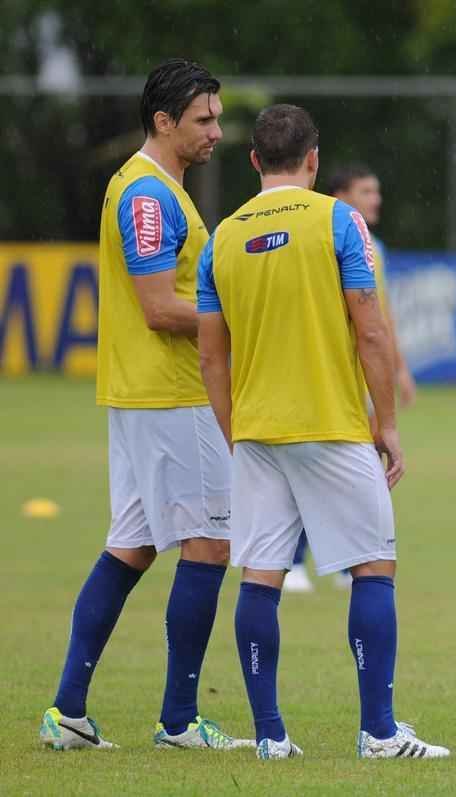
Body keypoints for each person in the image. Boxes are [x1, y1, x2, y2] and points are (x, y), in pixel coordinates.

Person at [197, 103, 449, 760]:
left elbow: (210, 356)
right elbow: (370, 328)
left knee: (260, 576)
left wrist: (234, 431)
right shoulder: (339, 221)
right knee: (374, 566)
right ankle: (379, 731)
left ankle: (271, 735)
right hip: (331, 426)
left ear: (254, 161)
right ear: (312, 159)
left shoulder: (221, 237)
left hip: (255, 432)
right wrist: (387, 423)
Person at [39, 59, 251, 752]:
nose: (217, 130)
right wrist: (237, 318)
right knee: (210, 543)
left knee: (129, 547)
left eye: (217, 117)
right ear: (163, 122)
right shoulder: (149, 197)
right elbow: (159, 307)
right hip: (172, 395)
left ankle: (68, 711)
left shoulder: (159, 191)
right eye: (204, 119)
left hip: (145, 396)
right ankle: (181, 720)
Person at [283, 163, 417, 594]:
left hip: (361, 380)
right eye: (366, 190)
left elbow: (379, 316)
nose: (375, 199)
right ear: (340, 196)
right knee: (314, 467)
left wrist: (398, 368)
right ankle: (294, 560)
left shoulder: (371, 244)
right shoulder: (323, 236)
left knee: (357, 472)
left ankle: (346, 561)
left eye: (376, 191)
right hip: (325, 379)